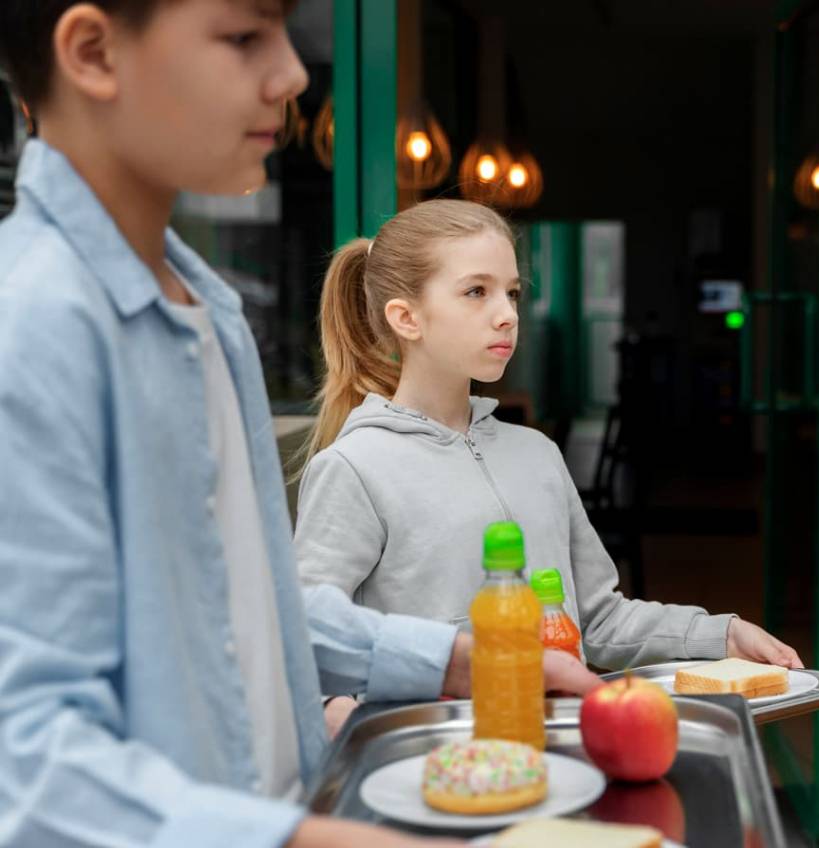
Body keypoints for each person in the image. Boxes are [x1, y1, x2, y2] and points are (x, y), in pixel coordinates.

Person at [0, 3, 596, 846]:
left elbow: (247, 606)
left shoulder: (202, 309)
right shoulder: (28, 328)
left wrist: (455, 659)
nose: (290, 75)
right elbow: (25, 769)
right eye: (244, 36)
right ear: (94, 53)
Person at [291, 198, 805, 722]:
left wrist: (720, 633)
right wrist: (341, 719)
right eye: (477, 291)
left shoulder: (536, 453)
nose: (508, 314)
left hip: (561, 749)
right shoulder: (354, 467)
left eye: (512, 292)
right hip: (436, 772)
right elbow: (305, 639)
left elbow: (595, 619)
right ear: (406, 318)